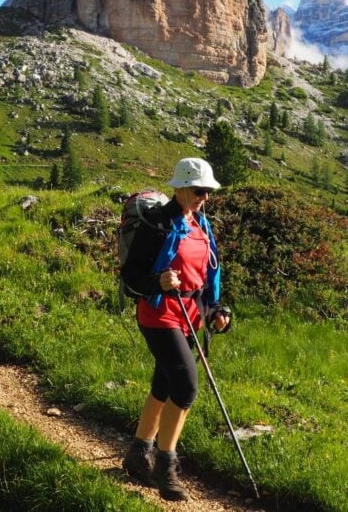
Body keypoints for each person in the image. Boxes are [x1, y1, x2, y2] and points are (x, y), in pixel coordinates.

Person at [120, 157, 231, 502]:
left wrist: (215, 310)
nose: (205, 197)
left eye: (208, 191)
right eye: (199, 191)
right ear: (180, 188)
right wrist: (158, 281)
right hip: (159, 313)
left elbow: (205, 277)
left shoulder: (201, 224)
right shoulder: (157, 226)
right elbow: (131, 277)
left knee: (164, 383)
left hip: (190, 313)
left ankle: (139, 452)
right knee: (185, 387)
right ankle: (165, 467)